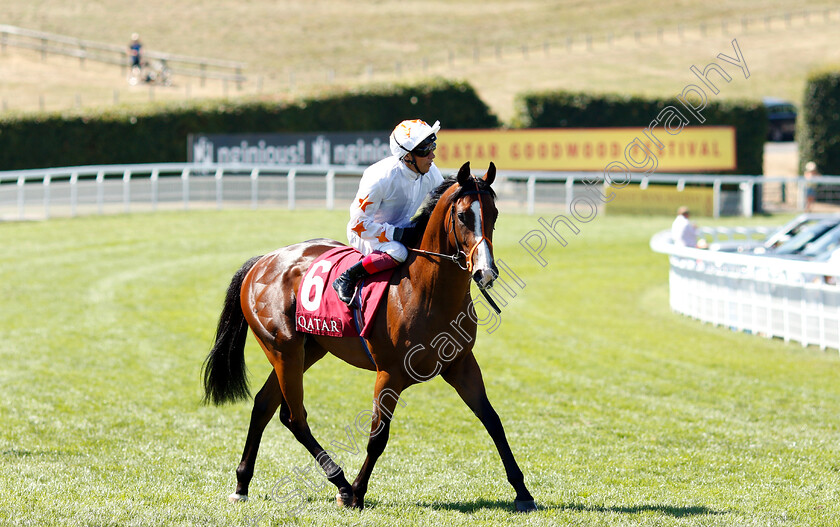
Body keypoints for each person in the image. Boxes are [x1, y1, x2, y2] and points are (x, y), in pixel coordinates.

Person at [332, 119, 444, 305]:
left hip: (401, 226)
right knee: (398, 251)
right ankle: (346, 278)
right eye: (425, 150)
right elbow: (358, 225)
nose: (432, 155)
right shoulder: (380, 177)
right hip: (367, 233)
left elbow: (443, 202)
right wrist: (397, 234)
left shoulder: (431, 171)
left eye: (433, 146)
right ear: (407, 156)